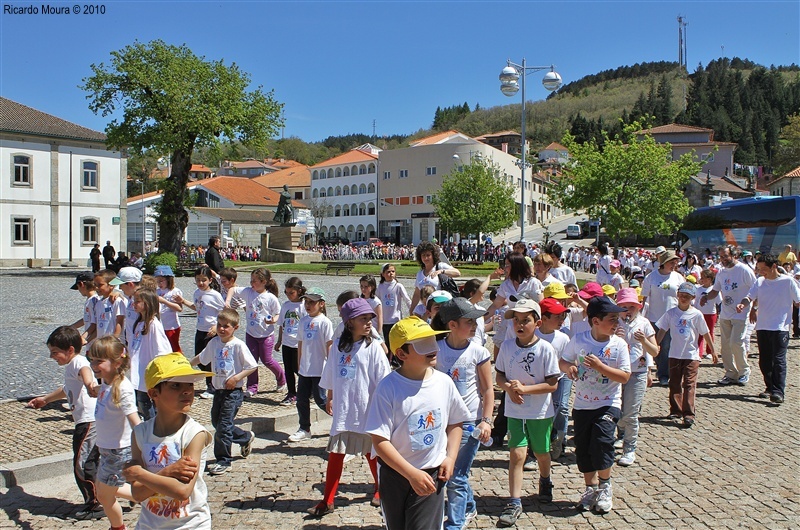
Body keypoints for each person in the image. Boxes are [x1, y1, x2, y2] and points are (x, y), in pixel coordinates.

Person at [365, 317, 471, 530]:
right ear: (402, 354)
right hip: (395, 475)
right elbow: (380, 440)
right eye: (422, 344)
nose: (433, 348)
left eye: (432, 341)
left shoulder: (443, 382)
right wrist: (410, 474)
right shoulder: (388, 388)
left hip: (432, 473)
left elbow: (455, 422)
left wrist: (450, 458)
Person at [308, 298, 391, 516]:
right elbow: (332, 374)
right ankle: (327, 499)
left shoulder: (373, 348)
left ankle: (381, 488)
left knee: (372, 453)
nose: (369, 322)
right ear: (349, 322)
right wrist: (330, 396)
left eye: (370, 318)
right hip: (345, 408)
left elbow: (384, 380)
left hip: (367, 408)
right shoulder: (337, 346)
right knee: (336, 453)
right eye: (363, 318)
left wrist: (384, 408)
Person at [124, 353, 214, 529]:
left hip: (190, 525)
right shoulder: (140, 433)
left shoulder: (194, 434)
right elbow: (138, 493)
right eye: (175, 385)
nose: (187, 390)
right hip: (149, 524)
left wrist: (139, 474)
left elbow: (182, 490)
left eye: (190, 384)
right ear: (153, 393)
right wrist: (169, 472)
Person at [560, 298, 631, 515]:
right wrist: (569, 368)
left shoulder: (618, 345)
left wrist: (601, 367)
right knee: (584, 448)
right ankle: (590, 489)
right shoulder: (579, 340)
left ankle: (605, 486)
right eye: (612, 319)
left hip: (608, 403)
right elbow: (564, 360)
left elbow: (625, 376)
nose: (616, 323)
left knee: (602, 442)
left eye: (617, 319)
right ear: (595, 321)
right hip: (582, 404)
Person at [495, 299, 560, 527]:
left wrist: (525, 389)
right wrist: (509, 390)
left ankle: (545, 479)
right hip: (515, 410)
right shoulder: (507, 346)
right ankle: (514, 501)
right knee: (517, 455)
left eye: (526, 321)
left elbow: (552, 384)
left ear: (537, 323)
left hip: (540, 412)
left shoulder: (545, 349)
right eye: (516, 321)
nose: (520, 325)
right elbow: (500, 376)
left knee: (542, 453)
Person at [430, 298, 493, 529]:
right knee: (452, 470)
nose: (475, 325)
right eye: (470, 321)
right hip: (442, 422)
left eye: (476, 320)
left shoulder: (478, 351)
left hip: (469, 422)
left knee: (455, 476)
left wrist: (486, 421)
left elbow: (487, 389)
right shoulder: (436, 349)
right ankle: (468, 506)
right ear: (453, 324)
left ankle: (454, 524)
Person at [27, 326, 101, 520]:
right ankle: (102, 498)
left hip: (89, 421)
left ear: (69, 350)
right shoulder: (71, 365)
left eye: (55, 353)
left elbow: (86, 373)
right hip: (84, 421)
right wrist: (45, 399)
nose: (52, 357)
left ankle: (95, 504)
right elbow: (66, 389)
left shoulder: (78, 362)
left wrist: (90, 385)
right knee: (87, 462)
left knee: (83, 463)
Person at [191, 308, 257, 475]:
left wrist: (236, 378)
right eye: (219, 325)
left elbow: (251, 366)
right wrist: (186, 364)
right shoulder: (214, 343)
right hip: (218, 390)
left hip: (233, 392)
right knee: (216, 422)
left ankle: (224, 460)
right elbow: (202, 357)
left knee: (223, 426)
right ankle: (244, 437)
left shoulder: (238, 345)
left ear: (235, 327)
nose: (221, 329)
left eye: (226, 326)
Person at [89, 336, 141, 530]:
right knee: (105, 491)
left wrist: (148, 441)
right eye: (92, 359)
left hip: (118, 451)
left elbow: (135, 420)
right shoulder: (105, 383)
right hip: (106, 449)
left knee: (104, 494)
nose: (94, 365)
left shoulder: (122, 389)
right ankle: (149, 496)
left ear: (117, 362)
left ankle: (120, 526)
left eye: (99, 361)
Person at [736, 253, 800, 404]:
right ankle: (769, 387)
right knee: (764, 361)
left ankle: (778, 391)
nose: (760, 272)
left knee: (778, 360)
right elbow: (749, 297)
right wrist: (743, 304)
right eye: (758, 269)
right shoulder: (760, 282)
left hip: (780, 327)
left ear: (773, 267)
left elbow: (797, 301)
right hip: (763, 326)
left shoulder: (788, 281)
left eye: (763, 269)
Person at [656, 282, 714, 428]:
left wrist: (712, 350)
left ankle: (688, 413)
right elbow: (662, 330)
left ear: (692, 298)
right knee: (674, 382)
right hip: (674, 354)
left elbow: (705, 332)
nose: (683, 298)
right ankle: (675, 409)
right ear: (677, 295)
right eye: (681, 295)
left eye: (687, 296)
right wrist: (655, 345)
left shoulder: (696, 314)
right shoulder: (671, 313)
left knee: (689, 384)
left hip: (691, 355)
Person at [224, 268, 286, 398]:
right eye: (251, 280)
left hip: (266, 335)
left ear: (263, 282)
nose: (251, 283)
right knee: (251, 362)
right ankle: (252, 387)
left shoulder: (270, 298)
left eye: (254, 281)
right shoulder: (248, 292)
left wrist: (273, 320)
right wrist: (228, 301)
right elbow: (232, 289)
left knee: (267, 360)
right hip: (251, 334)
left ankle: (281, 378)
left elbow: (278, 314)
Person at [699, 246, 756, 386]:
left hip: (741, 313)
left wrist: (754, 308)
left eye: (725, 256)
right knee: (725, 346)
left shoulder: (744, 270)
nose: (723, 260)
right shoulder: (721, 273)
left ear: (734, 255)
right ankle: (731, 373)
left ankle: (744, 371)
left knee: (736, 342)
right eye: (721, 257)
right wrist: (706, 297)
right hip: (725, 313)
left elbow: (756, 289)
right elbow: (716, 290)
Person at [614, 288, 657, 466]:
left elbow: (655, 350)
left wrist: (644, 341)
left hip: (637, 372)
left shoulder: (644, 323)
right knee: (617, 411)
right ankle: (621, 433)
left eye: (632, 306)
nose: (628, 311)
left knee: (631, 413)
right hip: (616, 372)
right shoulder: (614, 323)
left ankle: (629, 448)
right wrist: (615, 337)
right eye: (624, 307)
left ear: (638, 307)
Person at [289, 287, 334, 442]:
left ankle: (341, 421)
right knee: (301, 399)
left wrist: (330, 366)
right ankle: (304, 428)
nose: (308, 305)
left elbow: (329, 345)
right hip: (305, 370)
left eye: (312, 302)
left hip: (319, 369)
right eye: (306, 302)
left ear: (321, 304)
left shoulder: (325, 322)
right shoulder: (303, 321)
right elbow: (300, 344)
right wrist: (300, 365)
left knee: (321, 400)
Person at [174, 266, 225, 399]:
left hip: (211, 331)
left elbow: (223, 312)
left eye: (204, 280)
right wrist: (183, 301)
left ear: (210, 280)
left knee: (208, 359)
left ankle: (212, 386)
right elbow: (196, 307)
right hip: (200, 329)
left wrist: (216, 326)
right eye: (198, 280)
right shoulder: (197, 293)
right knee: (199, 358)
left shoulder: (215, 295)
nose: (201, 283)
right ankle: (214, 382)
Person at [640, 249, 684, 386]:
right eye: (672, 262)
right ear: (664, 263)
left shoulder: (678, 277)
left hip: (672, 317)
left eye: (675, 262)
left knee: (667, 346)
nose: (674, 264)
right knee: (655, 345)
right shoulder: (651, 277)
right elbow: (644, 298)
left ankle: (664, 374)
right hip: (654, 317)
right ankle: (654, 369)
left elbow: (683, 295)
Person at [536, 297, 571, 460]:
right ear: (543, 319)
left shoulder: (563, 338)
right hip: (539, 380)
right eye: (557, 317)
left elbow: (568, 360)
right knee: (541, 411)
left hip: (561, 377)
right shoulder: (533, 335)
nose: (561, 320)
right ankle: (539, 442)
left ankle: (559, 440)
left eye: (563, 316)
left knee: (562, 407)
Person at [129, 288, 173, 420]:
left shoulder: (153, 324)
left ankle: (154, 430)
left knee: (147, 404)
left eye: (137, 301)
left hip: (148, 374)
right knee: (141, 403)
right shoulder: (138, 323)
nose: (134, 304)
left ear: (147, 304)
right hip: (137, 372)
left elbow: (162, 350)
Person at [275, 277, 307, 406]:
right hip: (287, 342)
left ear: (299, 291)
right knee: (288, 369)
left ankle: (306, 388)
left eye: (291, 293)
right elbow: (282, 324)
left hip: (298, 343)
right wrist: (279, 340)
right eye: (286, 293)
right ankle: (291, 393)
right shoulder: (286, 305)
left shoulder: (303, 305)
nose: (289, 296)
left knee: (298, 368)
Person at [408, 241, 461, 311]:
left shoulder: (441, 266)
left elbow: (457, 273)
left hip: (440, 308)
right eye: (423, 255)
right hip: (426, 310)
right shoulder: (419, 274)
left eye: (428, 255)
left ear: (433, 255)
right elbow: (417, 294)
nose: (426, 258)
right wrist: (412, 310)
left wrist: (442, 271)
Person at [376, 263, 411, 342]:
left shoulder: (398, 286)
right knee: (388, 342)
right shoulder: (380, 287)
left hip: (396, 319)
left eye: (393, 271)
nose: (391, 273)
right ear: (383, 274)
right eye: (388, 272)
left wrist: (412, 310)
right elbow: (376, 301)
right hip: (385, 320)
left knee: (397, 342)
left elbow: (407, 299)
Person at [155, 266, 183, 353]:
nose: (159, 283)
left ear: (168, 280)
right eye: (157, 281)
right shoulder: (157, 292)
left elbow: (179, 308)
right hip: (160, 324)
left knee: (174, 347)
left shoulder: (175, 291)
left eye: (161, 281)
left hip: (171, 325)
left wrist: (165, 302)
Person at [70, 271, 100, 347]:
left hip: (94, 343)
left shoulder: (94, 301)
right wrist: (71, 327)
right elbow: (86, 319)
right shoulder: (90, 300)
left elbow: (95, 324)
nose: (79, 291)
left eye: (78, 287)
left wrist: (83, 338)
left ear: (81, 284)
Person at [93, 270, 125, 340]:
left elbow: (119, 323)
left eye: (100, 285)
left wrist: (114, 340)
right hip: (102, 344)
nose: (96, 288)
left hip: (113, 344)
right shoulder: (98, 304)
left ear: (111, 285)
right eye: (95, 285)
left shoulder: (116, 301)